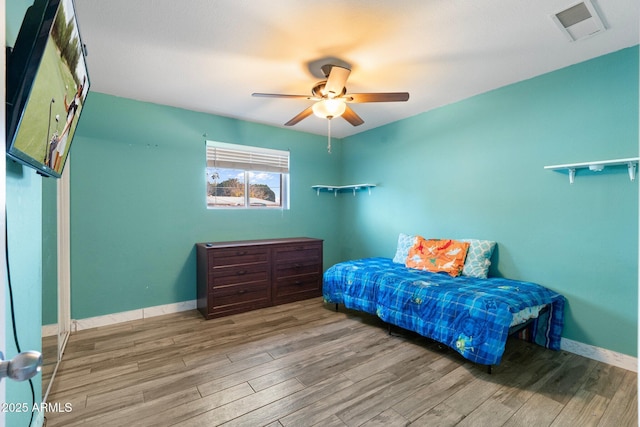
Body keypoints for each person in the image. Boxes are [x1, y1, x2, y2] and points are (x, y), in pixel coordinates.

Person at [53, 77, 84, 172]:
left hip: (67, 128)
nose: (78, 89)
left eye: (80, 88)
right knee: (58, 150)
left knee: (61, 153)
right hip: (65, 126)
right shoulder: (74, 98)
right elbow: (67, 109)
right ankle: (53, 169)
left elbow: (71, 121)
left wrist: (61, 136)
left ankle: (56, 171)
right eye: (79, 87)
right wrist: (65, 98)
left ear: (80, 91)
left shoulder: (77, 102)